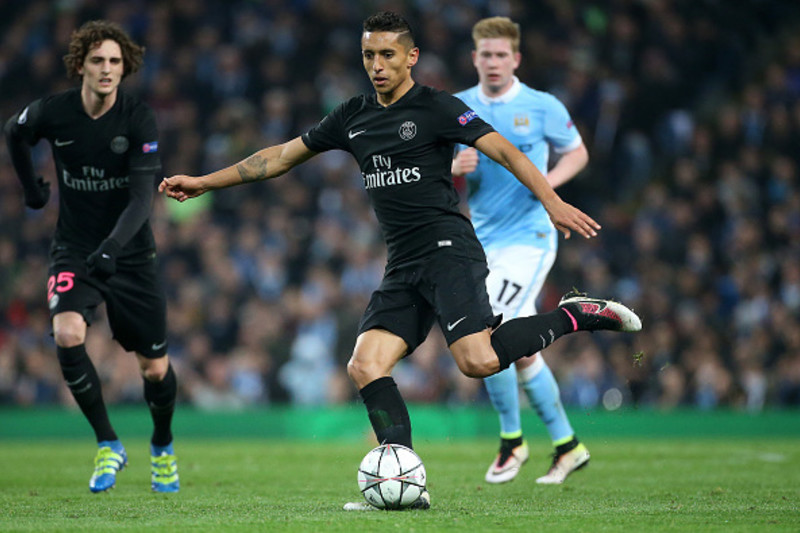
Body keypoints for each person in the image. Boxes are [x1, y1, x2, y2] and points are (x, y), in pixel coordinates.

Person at [160, 11, 640, 509]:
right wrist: (202, 183)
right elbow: (279, 157)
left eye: (387, 54)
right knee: (365, 364)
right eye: (368, 55)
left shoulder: (435, 108)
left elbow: (506, 152)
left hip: (449, 251)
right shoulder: (353, 116)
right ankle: (405, 482)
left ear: (411, 57)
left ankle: (576, 314)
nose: (377, 65)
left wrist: (551, 200)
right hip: (403, 264)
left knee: (477, 361)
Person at [4, 20, 179, 493]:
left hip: (132, 252)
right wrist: (33, 188)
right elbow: (13, 132)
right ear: (80, 64)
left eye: (115, 63)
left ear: (126, 69)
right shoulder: (54, 113)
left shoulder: (138, 118)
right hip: (76, 247)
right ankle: (108, 443)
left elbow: (143, 200)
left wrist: (113, 248)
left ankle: (161, 445)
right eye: (98, 61)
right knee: (65, 331)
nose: (106, 70)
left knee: (154, 369)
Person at [452, 17, 592, 485]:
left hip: (531, 237)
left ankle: (512, 442)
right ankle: (568, 445)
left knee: (488, 327)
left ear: (516, 59)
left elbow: (577, 152)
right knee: (524, 350)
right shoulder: (459, 108)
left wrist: (545, 186)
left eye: (500, 55)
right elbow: (434, 167)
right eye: (485, 55)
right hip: (485, 240)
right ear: (474, 59)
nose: (492, 62)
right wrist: (455, 164)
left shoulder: (542, 106)